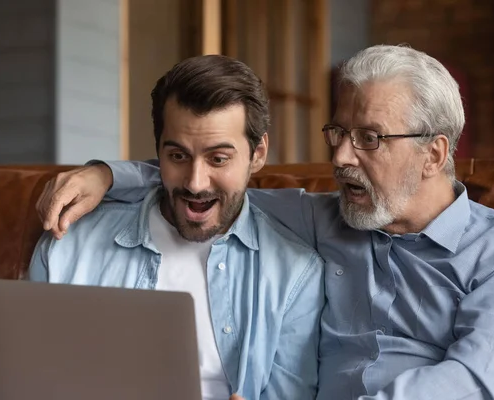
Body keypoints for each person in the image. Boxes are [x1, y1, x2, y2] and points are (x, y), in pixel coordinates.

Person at [37, 45, 494, 400]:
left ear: (433, 155)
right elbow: (207, 184)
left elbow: (473, 386)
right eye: (337, 133)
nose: (340, 158)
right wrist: (106, 175)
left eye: (369, 138)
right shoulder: (324, 216)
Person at [29, 55, 324, 400]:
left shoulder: (295, 275)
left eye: (218, 159)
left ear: (257, 154)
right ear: (158, 152)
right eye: (178, 156)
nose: (196, 183)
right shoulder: (68, 245)